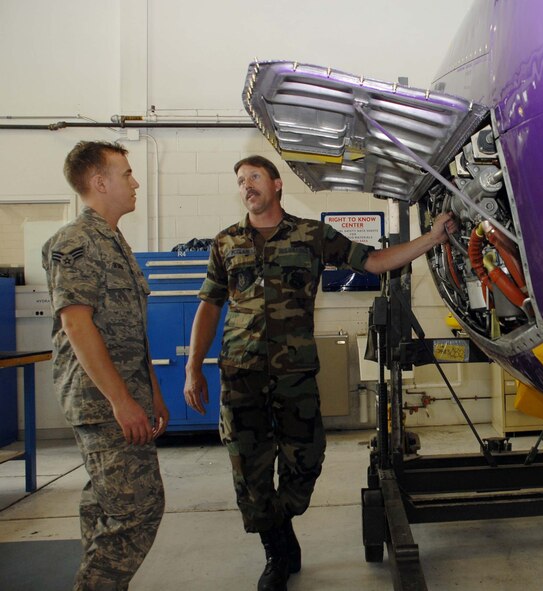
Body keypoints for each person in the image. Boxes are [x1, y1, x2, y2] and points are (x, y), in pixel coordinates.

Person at [184, 154, 455, 590]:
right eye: (240, 180)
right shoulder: (225, 242)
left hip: (295, 374)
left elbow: (374, 261)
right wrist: (192, 367)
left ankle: (281, 521)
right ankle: (276, 551)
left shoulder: (310, 235)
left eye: (254, 177)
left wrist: (433, 237)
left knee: (306, 461)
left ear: (276, 185)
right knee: (249, 472)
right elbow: (209, 306)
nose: (246, 185)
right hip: (241, 375)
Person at [42, 141, 168, 590]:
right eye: (126, 174)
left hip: (122, 396)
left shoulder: (114, 242)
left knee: (104, 505)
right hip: (101, 403)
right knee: (137, 509)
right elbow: (77, 324)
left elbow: (129, 330)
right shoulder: (75, 243)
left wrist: (150, 389)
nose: (134, 182)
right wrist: (121, 401)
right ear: (99, 183)